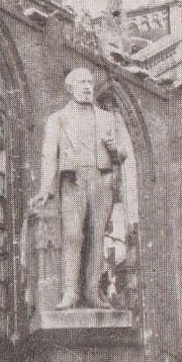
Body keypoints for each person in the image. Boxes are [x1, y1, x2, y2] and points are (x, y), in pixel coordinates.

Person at [32, 67, 128, 309]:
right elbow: (48, 155)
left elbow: (123, 154)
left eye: (89, 83)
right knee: (73, 237)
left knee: (97, 237)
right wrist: (45, 187)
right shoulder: (57, 119)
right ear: (70, 88)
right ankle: (70, 292)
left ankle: (93, 291)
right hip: (73, 181)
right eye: (82, 83)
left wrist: (114, 148)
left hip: (101, 180)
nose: (87, 87)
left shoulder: (108, 118)